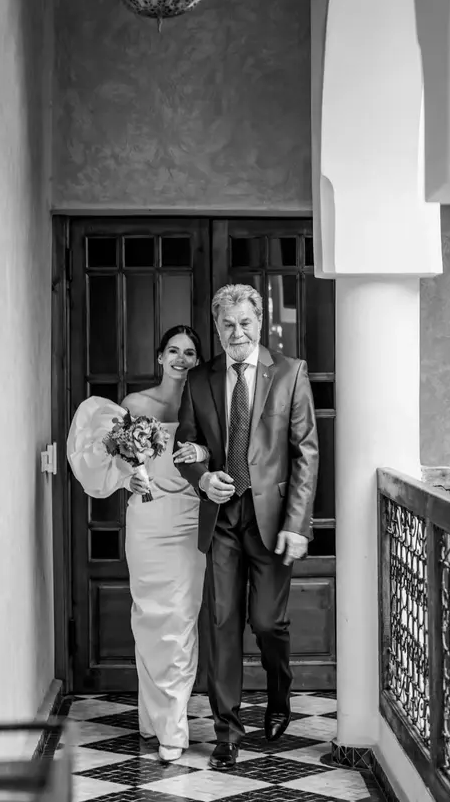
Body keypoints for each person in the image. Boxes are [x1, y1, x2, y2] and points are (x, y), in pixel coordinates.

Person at [174, 284, 319, 771]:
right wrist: (202, 476)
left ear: (261, 322)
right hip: (222, 521)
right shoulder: (199, 380)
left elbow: (306, 454)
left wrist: (298, 523)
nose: (237, 332)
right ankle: (227, 731)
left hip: (273, 521)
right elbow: (187, 447)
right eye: (227, 324)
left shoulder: (291, 373)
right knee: (221, 624)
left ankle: (279, 697)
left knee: (266, 623)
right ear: (217, 328)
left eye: (245, 323)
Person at [67, 325, 208, 763]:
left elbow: (219, 454)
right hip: (146, 518)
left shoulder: (205, 404)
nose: (181, 358)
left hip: (188, 520)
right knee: (149, 617)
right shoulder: (135, 406)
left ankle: (172, 727)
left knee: (179, 618)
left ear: (197, 361)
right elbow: (118, 459)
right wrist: (132, 469)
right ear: (161, 357)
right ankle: (154, 717)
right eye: (173, 351)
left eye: (189, 352)